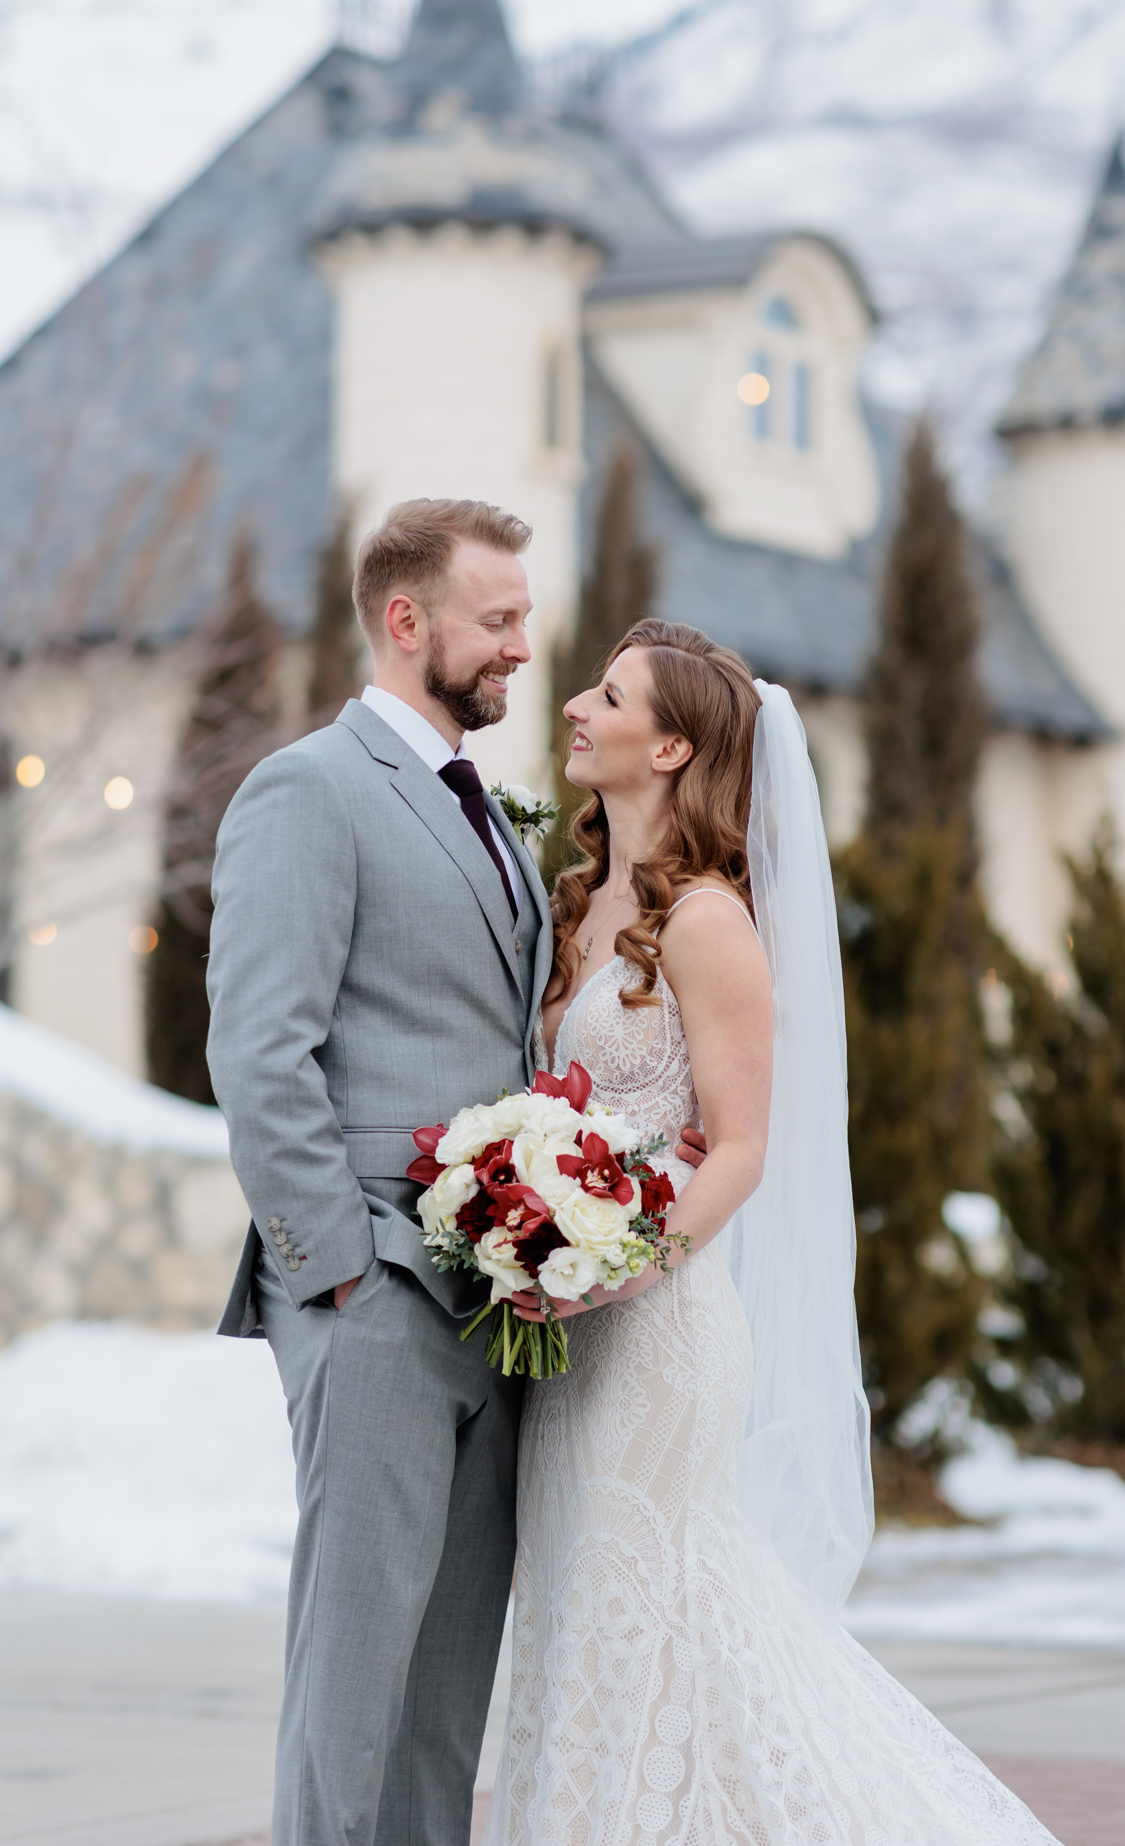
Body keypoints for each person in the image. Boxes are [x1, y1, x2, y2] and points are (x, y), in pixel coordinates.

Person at [485, 618, 1061, 1845]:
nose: (576, 706)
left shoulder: (708, 924)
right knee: (584, 1623)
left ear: (676, 745)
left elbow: (740, 1149)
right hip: (567, 1326)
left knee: (656, 1618)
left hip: (656, 1332)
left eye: (610, 694)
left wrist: (612, 1266)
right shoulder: (580, 907)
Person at [206, 500, 707, 1846]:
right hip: (373, 1302)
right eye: (498, 622)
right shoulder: (307, 791)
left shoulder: (487, 811)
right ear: (406, 620)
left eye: (526, 623)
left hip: (495, 1312)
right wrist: (344, 1279)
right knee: (355, 1677)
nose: (522, 650)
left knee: (444, 1697)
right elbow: (261, 1055)